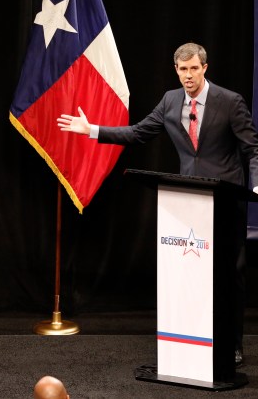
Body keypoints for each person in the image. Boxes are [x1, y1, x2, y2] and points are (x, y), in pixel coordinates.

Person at [57, 42, 258, 368]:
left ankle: (232, 346)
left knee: (228, 277)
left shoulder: (230, 101)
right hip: (189, 201)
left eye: (194, 68)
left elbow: (252, 149)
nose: (188, 75)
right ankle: (196, 339)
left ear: (204, 68)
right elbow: (138, 133)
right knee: (193, 275)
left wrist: (256, 182)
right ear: (176, 70)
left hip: (226, 202)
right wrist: (92, 130)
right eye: (182, 70)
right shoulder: (170, 100)